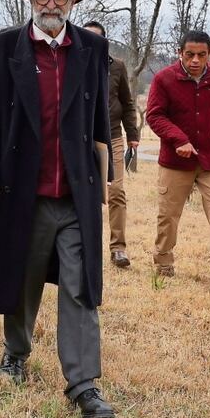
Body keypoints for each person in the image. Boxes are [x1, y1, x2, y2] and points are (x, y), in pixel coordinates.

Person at [0, 0, 115, 418]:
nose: (52, 3)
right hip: (22, 192)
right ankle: (16, 352)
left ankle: (83, 383)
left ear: (73, 0)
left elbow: (98, 123)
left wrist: (105, 179)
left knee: (80, 285)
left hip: (75, 193)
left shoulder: (93, 50)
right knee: (23, 278)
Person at [146, 30, 210, 290]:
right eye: (189, 55)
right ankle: (163, 262)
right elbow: (154, 116)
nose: (195, 60)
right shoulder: (164, 78)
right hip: (176, 161)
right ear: (180, 53)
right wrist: (179, 139)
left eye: (201, 55)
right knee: (168, 215)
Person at [82, 21, 140, 268]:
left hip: (112, 138)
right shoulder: (72, 64)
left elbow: (127, 102)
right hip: (80, 139)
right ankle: (84, 247)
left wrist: (132, 133)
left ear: (104, 42)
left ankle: (118, 249)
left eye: (96, 38)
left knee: (115, 191)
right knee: (83, 194)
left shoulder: (117, 67)